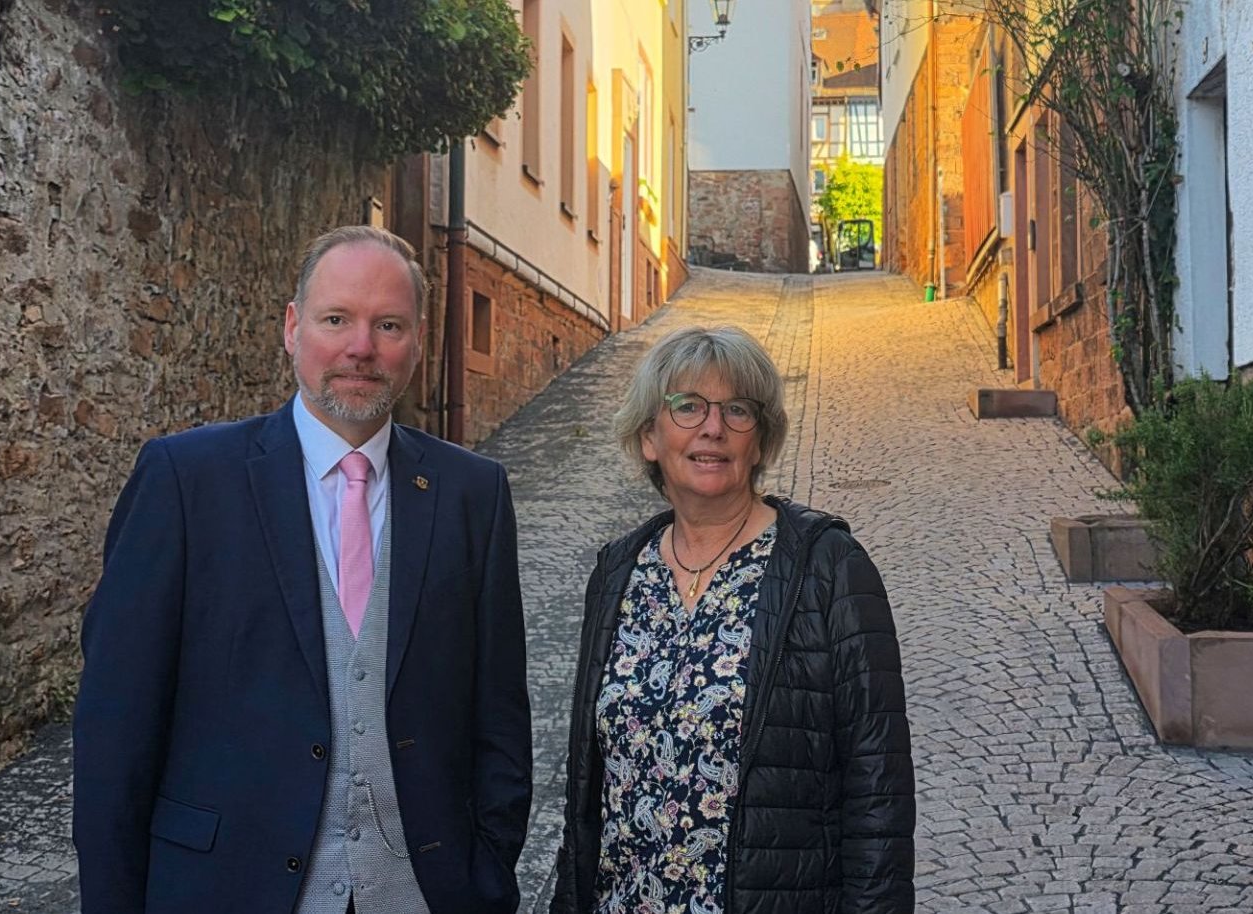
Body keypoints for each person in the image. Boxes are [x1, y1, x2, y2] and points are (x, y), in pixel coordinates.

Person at [73, 225, 532, 914]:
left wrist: (487, 872)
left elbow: (500, 716)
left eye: (388, 324)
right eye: (336, 319)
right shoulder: (187, 481)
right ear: (292, 328)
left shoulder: (473, 494)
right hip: (225, 889)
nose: (361, 347)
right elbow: (114, 731)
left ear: (418, 340)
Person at [550, 326, 916, 914]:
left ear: (760, 441)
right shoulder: (617, 573)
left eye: (737, 410)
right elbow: (588, 786)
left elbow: (878, 787)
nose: (712, 428)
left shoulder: (829, 569)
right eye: (687, 406)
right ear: (649, 436)